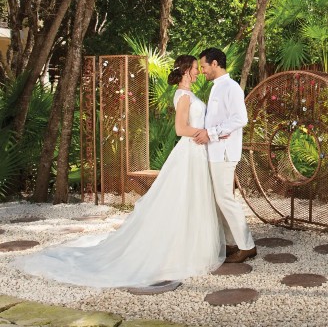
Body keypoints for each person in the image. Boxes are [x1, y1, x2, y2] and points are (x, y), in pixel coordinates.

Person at [12, 55, 226, 288]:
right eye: (195, 68)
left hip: (196, 152)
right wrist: (206, 131)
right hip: (190, 152)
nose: (197, 72)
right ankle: (179, 251)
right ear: (186, 71)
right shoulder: (183, 96)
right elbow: (180, 128)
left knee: (192, 201)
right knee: (183, 200)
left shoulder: (189, 94)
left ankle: (191, 246)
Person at [193, 47, 256, 263]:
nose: (202, 71)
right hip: (215, 152)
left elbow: (240, 119)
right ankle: (231, 242)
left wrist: (211, 133)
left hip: (225, 152)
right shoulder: (216, 88)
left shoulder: (231, 87)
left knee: (225, 198)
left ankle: (247, 245)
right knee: (220, 200)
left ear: (215, 64)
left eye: (203, 66)